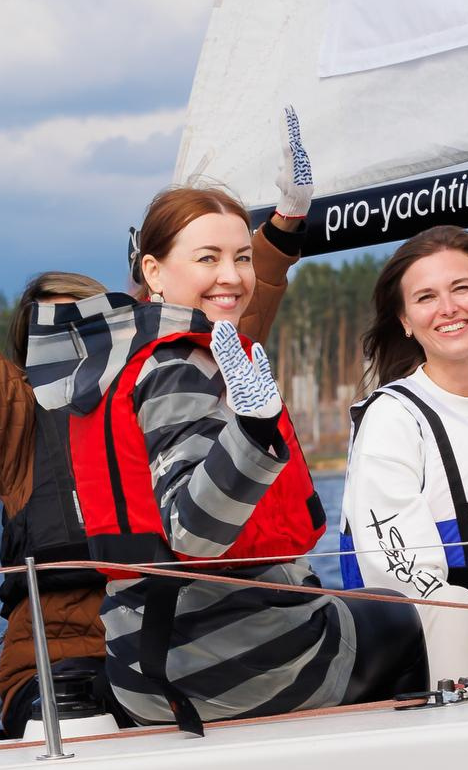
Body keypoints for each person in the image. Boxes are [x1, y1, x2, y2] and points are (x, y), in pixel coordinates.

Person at [0, 108, 315, 736]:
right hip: (62, 657)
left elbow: (228, 303)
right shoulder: (19, 432)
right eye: (49, 337)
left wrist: (286, 224)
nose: (74, 350)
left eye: (82, 322)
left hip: (185, 635)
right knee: (85, 731)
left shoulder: (163, 374)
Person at [25, 184, 426, 731]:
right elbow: (193, 532)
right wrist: (255, 434)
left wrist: (290, 218)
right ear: (155, 271)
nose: (233, 276)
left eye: (242, 257)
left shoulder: (121, 359)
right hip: (232, 662)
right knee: (399, 616)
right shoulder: (178, 368)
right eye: (207, 258)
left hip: (142, 662)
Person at [338, 226, 468, 683]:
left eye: (462, 288)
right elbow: (395, 566)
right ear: (404, 320)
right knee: (455, 609)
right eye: (426, 298)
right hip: (435, 648)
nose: (448, 308)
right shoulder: (393, 418)